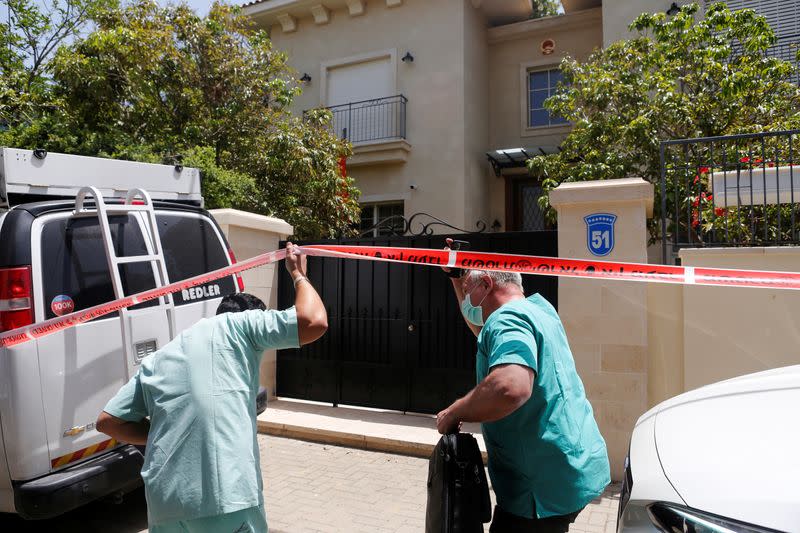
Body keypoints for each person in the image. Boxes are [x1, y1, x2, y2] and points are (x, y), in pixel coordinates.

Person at [96, 243, 327, 533]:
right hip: (224, 499)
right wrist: (298, 274)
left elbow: (108, 422)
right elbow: (314, 321)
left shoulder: (162, 356)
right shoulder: (243, 324)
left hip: (164, 505)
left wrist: (163, 435)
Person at [436, 238, 610, 533]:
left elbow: (510, 387)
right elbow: (482, 329)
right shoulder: (539, 310)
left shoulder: (507, 319)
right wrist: (457, 279)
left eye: (469, 290)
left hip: (539, 489)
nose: (466, 298)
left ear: (487, 284)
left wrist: (455, 411)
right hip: (575, 468)